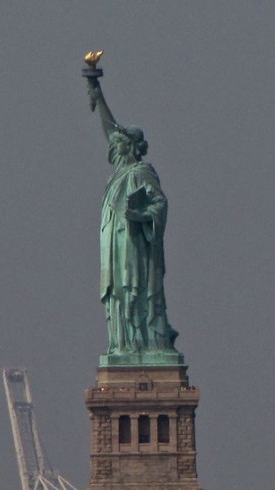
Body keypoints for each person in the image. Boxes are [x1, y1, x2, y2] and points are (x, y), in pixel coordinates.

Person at [87, 79, 178, 358]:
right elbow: (109, 129)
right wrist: (96, 93)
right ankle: (123, 344)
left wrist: (139, 215)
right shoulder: (119, 173)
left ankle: (141, 343)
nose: (113, 145)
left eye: (120, 142)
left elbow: (160, 203)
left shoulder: (140, 171)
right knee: (117, 294)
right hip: (114, 246)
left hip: (135, 247)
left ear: (131, 146)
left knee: (133, 291)